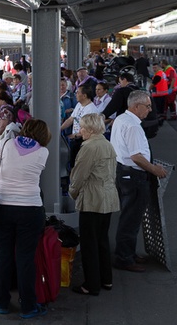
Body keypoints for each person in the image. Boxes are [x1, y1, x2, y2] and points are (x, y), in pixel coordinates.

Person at [0, 119, 51, 318]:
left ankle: (1, 302)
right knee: (25, 259)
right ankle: (28, 306)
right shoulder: (43, 152)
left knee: (3, 256)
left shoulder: (5, 145)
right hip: (30, 210)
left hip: (2, 208)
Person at [111, 90, 168, 272]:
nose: (150, 110)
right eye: (148, 106)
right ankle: (124, 258)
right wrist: (155, 170)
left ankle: (128, 253)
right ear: (136, 107)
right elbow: (136, 157)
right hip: (134, 176)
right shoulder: (134, 126)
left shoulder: (121, 119)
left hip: (123, 172)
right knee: (131, 218)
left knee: (129, 216)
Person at [68, 113, 120, 295]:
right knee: (102, 240)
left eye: (82, 127)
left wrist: (73, 193)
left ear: (89, 129)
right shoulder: (108, 144)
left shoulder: (89, 147)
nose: (80, 130)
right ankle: (106, 280)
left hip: (92, 199)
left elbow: (79, 175)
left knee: (89, 243)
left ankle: (91, 284)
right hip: (109, 197)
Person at [60, 84, 100, 168]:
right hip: (75, 139)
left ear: (84, 96)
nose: (76, 94)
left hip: (84, 140)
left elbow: (89, 129)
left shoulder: (92, 110)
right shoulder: (78, 105)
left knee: (80, 165)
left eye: (78, 93)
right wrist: (59, 128)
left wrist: (75, 135)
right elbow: (71, 119)